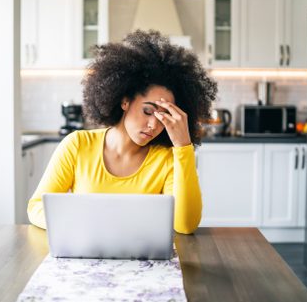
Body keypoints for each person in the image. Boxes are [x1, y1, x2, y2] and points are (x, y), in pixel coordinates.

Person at [27, 30, 217, 235]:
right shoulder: (77, 145)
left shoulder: (167, 159)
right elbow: (36, 207)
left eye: (163, 116)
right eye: (148, 111)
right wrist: (83, 224)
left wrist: (183, 147)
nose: (154, 124)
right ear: (125, 101)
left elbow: (185, 225)